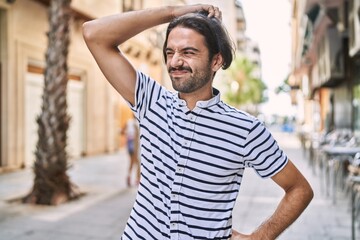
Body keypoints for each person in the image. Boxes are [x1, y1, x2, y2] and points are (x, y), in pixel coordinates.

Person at [83, 4, 313, 240]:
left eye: (188, 52)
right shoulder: (151, 101)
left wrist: (259, 237)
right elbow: (94, 34)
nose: (175, 61)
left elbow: (300, 189)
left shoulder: (245, 129)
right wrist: (173, 13)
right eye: (170, 52)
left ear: (216, 61)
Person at [121, 114, 140, 187]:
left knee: (132, 161)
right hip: (135, 143)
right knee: (137, 162)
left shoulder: (128, 122)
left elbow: (122, 131)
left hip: (129, 142)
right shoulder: (137, 123)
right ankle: (137, 179)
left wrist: (128, 134)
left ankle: (129, 176)